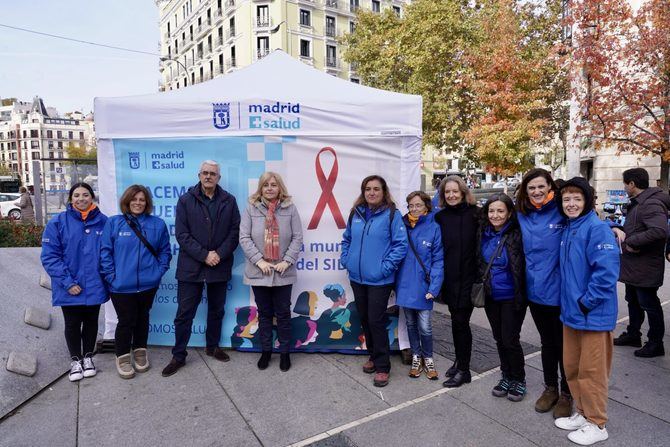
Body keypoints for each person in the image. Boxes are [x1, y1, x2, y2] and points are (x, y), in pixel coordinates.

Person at [554, 177, 619, 446]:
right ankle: (582, 412)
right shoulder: (570, 228)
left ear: (587, 201)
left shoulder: (597, 228)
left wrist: (586, 303)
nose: (570, 204)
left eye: (576, 199)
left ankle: (597, 422)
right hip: (571, 315)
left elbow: (606, 274)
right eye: (566, 199)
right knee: (573, 368)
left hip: (592, 316)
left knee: (592, 373)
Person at [161, 160, 240, 377]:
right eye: (205, 173)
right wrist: (205, 255)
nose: (208, 176)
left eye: (212, 174)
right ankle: (178, 355)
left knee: (216, 310)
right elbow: (182, 234)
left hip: (219, 265)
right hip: (191, 267)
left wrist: (218, 255)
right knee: (184, 314)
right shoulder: (186, 200)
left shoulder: (229, 201)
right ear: (199, 175)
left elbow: (235, 233)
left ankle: (212, 347)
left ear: (218, 178)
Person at [340, 175, 408, 387]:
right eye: (368, 189)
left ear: (383, 191)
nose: (372, 192)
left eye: (376, 189)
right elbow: (347, 239)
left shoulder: (392, 215)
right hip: (357, 277)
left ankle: (382, 366)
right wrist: (346, 260)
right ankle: (373, 355)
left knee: (376, 320)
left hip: (380, 280)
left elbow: (400, 245)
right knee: (364, 318)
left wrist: (384, 268)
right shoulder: (356, 213)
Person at [100, 185, 172, 379]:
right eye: (134, 199)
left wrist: (158, 272)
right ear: (127, 200)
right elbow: (105, 251)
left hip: (149, 284)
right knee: (126, 321)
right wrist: (111, 276)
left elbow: (165, 251)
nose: (138, 203)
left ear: (147, 202)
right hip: (121, 285)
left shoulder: (157, 224)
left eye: (142, 200)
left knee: (142, 319)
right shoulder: (114, 223)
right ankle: (122, 356)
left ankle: (140, 352)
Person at [516, 168, 572, 417]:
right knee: (548, 343)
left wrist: (614, 226)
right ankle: (551, 388)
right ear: (525, 191)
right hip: (535, 292)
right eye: (531, 188)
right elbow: (489, 219)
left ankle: (567, 393)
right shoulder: (522, 214)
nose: (537, 192)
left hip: (561, 292)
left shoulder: (562, 210)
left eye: (541, 186)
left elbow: (589, 221)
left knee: (565, 345)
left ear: (550, 187)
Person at [40, 182, 108, 382]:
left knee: (91, 322)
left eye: (85, 195)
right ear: (71, 199)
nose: (81, 199)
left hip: (95, 285)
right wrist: (67, 282)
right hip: (69, 287)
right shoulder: (58, 222)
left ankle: (88, 357)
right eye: (76, 195)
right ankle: (75, 360)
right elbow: (50, 256)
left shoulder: (104, 222)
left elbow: (109, 253)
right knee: (71, 324)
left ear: (92, 198)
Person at [240, 171, 303, 372]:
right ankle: (266, 351)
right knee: (265, 313)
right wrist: (259, 261)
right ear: (260, 188)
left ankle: (285, 353)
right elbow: (244, 238)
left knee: (283, 314)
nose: (269, 188)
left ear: (279, 188)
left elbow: (297, 237)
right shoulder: (251, 208)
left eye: (273, 185)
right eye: (265, 185)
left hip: (283, 272)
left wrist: (288, 261)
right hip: (260, 273)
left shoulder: (290, 208)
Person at [612, 168, 669, 357]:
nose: (624, 188)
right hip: (634, 266)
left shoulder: (650, 203)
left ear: (632, 184)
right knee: (633, 302)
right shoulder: (639, 203)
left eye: (625, 184)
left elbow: (659, 230)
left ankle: (655, 343)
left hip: (645, 266)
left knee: (649, 304)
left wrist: (631, 242)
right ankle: (633, 334)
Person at [478, 193, 528, 401]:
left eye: (500, 211)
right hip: (491, 296)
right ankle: (506, 375)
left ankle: (519, 379)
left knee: (510, 339)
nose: (495, 215)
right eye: (491, 210)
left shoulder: (518, 234)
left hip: (512, 296)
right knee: (499, 338)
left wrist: (613, 227)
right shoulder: (483, 233)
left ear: (509, 214)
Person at [434, 176, 479, 388]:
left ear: (462, 192)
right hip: (450, 279)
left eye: (455, 191)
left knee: (461, 324)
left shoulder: (476, 215)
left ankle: (464, 370)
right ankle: (460, 360)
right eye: (447, 192)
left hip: (469, 279)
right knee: (456, 323)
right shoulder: (440, 217)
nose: (451, 195)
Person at [395, 191, 444, 380]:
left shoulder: (434, 228)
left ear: (426, 206)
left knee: (425, 326)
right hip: (405, 284)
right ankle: (417, 356)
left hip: (424, 286)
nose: (414, 209)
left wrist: (435, 287)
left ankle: (428, 357)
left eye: (418, 205)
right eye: (411, 206)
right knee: (410, 323)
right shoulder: (401, 225)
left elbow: (438, 260)